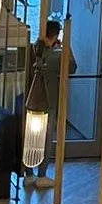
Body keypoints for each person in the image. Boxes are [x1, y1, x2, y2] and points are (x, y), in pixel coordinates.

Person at [31, 19, 75, 188]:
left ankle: (28, 173)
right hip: (48, 102)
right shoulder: (57, 56)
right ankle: (42, 175)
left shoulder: (33, 50)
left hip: (30, 100)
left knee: (30, 138)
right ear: (56, 36)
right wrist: (67, 48)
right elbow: (72, 67)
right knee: (47, 138)